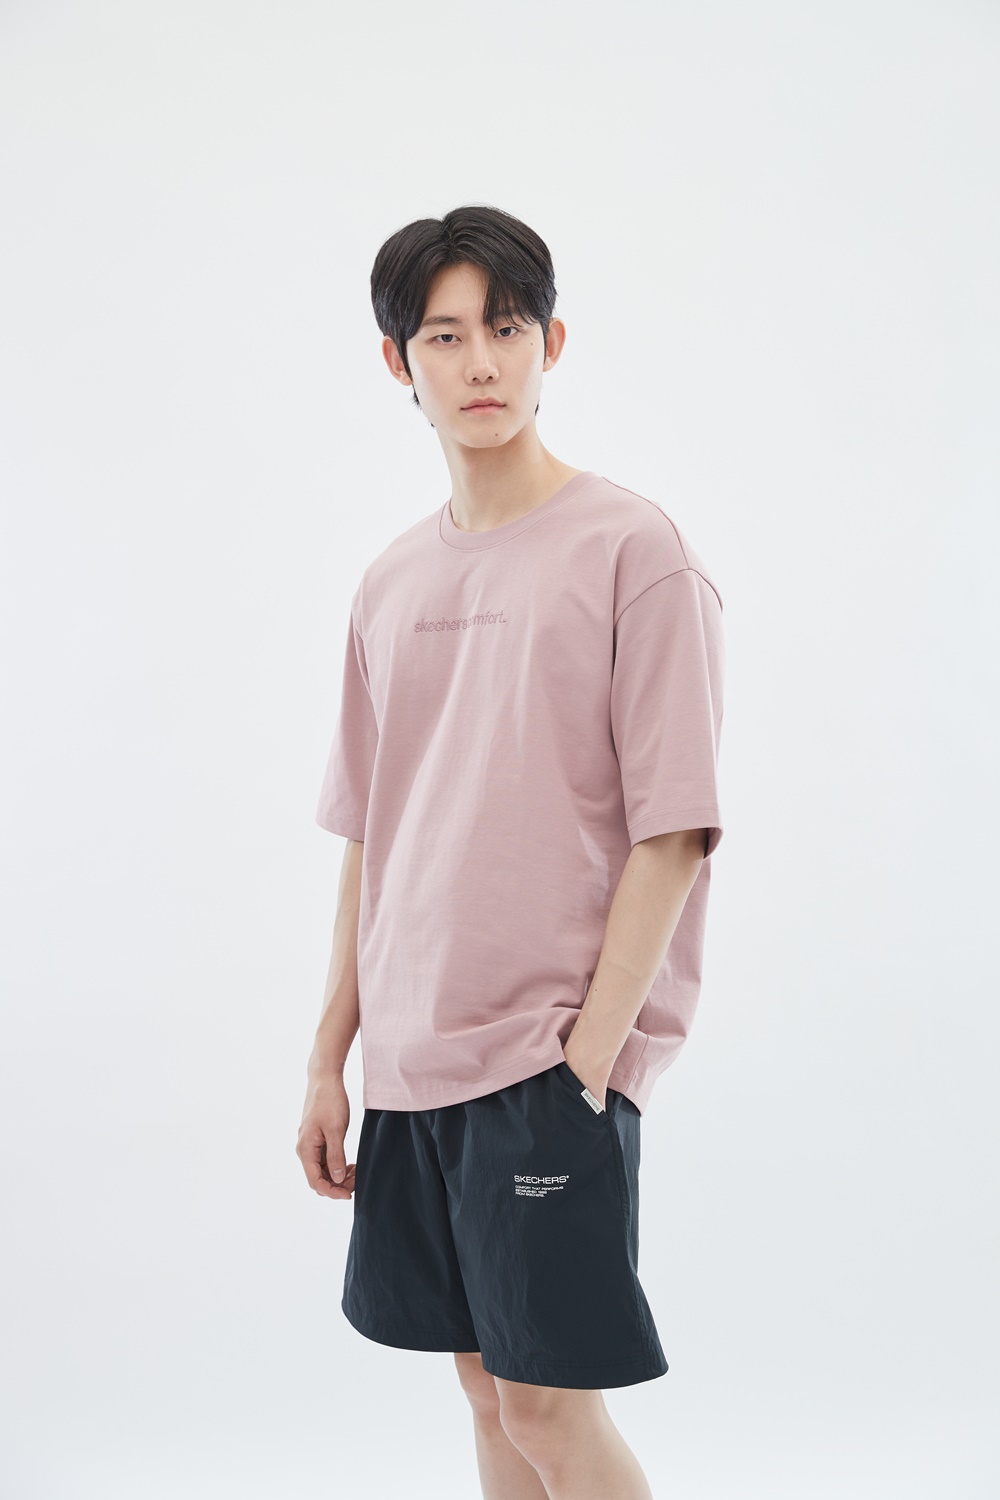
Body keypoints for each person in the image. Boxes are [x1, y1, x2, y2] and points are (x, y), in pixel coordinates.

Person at [296, 203, 726, 1500]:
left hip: (545, 1058)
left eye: (506, 327)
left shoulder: (633, 551)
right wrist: (329, 1060)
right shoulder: (388, 583)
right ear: (398, 362)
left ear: (552, 343)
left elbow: (675, 828)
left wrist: (589, 1058)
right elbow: (371, 837)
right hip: (411, 1063)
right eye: (444, 336)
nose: (480, 362)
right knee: (487, 1391)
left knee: (547, 1402)